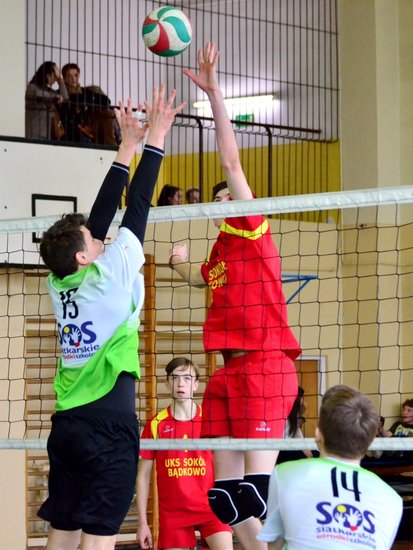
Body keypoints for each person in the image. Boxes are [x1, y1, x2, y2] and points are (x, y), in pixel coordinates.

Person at [37, 84, 185, 550]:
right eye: (91, 240)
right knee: (98, 540)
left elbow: (98, 222)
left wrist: (127, 147)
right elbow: (136, 208)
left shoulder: (59, 281)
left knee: (62, 533)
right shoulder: (110, 274)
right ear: (83, 257)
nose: (98, 237)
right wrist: (156, 136)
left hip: (67, 426)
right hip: (107, 426)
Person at [169, 42, 300, 549]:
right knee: (223, 498)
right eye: (223, 197)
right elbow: (201, 279)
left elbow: (230, 160)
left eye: (230, 193)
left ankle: (269, 508)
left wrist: (215, 95)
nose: (226, 196)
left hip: (265, 365)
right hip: (228, 370)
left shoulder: (251, 227)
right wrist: (180, 265)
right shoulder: (221, 251)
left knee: (252, 491)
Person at [257, 385, 403, 550]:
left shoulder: (284, 474)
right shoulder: (393, 500)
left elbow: (274, 545)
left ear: (318, 434)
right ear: (369, 441)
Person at [136, 357, 233, 550]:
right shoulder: (156, 424)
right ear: (167, 383)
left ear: (196, 385)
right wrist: (142, 523)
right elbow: (143, 475)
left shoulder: (210, 420)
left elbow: (228, 465)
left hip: (211, 507)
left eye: (187, 378)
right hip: (173, 514)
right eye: (175, 378)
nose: (181, 383)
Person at [59, 62, 117, 145]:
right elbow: (66, 103)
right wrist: (86, 99)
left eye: (76, 75)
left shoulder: (86, 91)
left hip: (90, 124)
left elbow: (106, 101)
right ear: (64, 78)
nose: (73, 79)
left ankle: (111, 145)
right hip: (74, 127)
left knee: (108, 113)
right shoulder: (61, 92)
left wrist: (84, 99)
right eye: (69, 76)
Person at [25, 61, 68, 140]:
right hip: (33, 133)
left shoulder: (49, 91)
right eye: (55, 76)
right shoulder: (32, 87)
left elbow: (65, 98)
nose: (55, 79)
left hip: (47, 135)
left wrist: (60, 80)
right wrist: (56, 96)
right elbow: (39, 93)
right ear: (47, 75)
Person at [277, 386, 313, 463]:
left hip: (289, 448)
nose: (303, 400)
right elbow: (284, 438)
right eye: (302, 397)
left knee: (315, 453)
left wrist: (305, 448)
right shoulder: (282, 413)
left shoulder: (294, 414)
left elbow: (297, 433)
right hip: (280, 449)